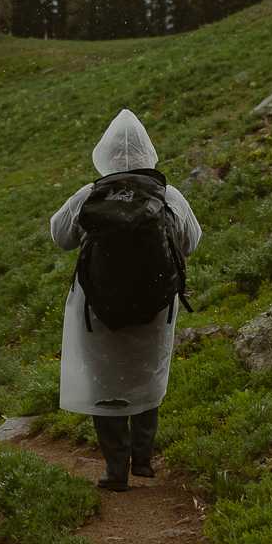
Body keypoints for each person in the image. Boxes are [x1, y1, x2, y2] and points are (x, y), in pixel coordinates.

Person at [49, 108, 202, 492]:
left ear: (106, 155)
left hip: (99, 305)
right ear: (149, 153)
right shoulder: (168, 195)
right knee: (147, 372)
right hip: (156, 301)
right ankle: (144, 458)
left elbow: (60, 236)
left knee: (106, 380)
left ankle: (116, 469)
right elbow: (191, 241)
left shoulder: (91, 195)